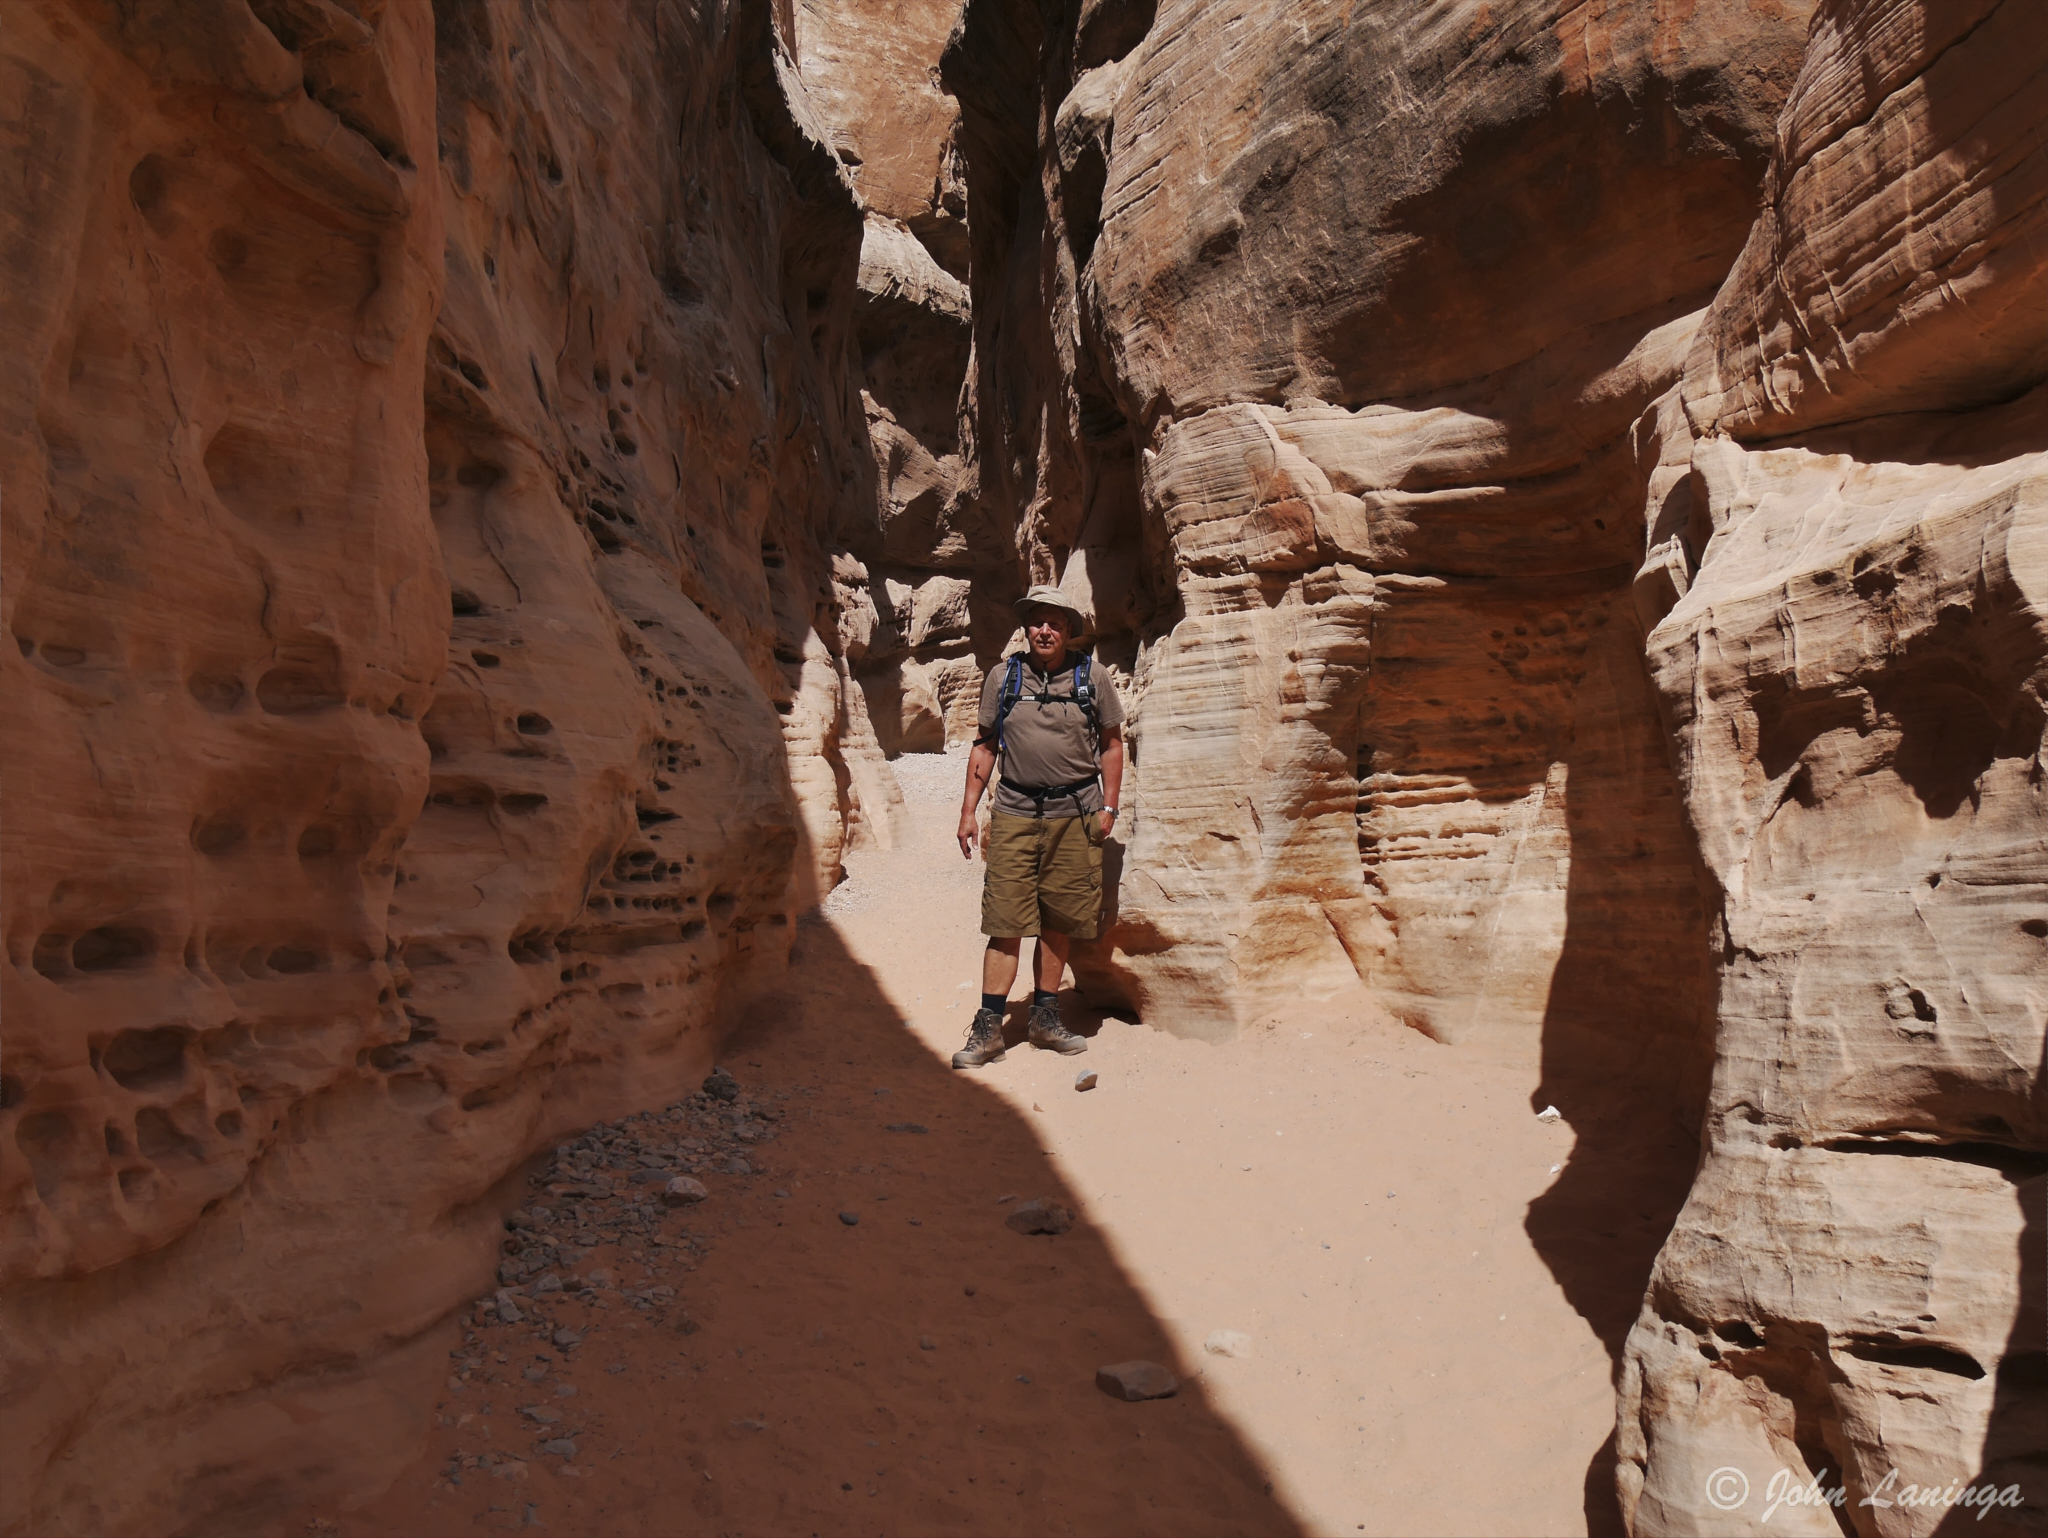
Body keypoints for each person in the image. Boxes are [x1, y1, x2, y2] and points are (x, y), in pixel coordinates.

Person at [951, 586, 1125, 1069]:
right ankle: (988, 1027)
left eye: (1054, 622)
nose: (1044, 630)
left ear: (1069, 630)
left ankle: (1044, 1018)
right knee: (1005, 923)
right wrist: (968, 811)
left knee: (1058, 920)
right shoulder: (1003, 678)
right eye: (1036, 622)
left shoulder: (1093, 677)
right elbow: (985, 745)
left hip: (1076, 812)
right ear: (1026, 629)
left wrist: (1109, 806)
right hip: (1014, 813)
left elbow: (1112, 744)